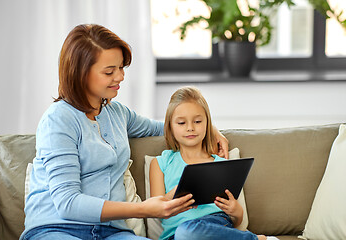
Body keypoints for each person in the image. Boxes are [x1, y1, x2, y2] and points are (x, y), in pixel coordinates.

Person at [21, 24, 229, 240]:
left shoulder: (117, 114)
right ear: (80, 73)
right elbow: (67, 203)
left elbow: (167, 127)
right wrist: (145, 209)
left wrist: (211, 129)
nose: (120, 77)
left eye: (121, 68)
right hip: (57, 229)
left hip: (112, 232)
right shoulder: (59, 119)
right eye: (109, 71)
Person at [150, 86, 266, 240]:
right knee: (184, 232)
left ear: (207, 123)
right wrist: (178, 192)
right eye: (181, 123)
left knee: (188, 232)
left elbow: (235, 221)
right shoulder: (160, 163)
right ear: (170, 127)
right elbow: (155, 210)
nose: (190, 128)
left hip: (215, 224)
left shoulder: (220, 164)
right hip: (174, 235)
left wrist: (236, 211)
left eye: (197, 121)